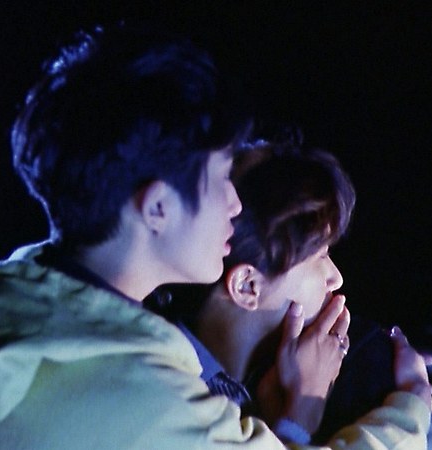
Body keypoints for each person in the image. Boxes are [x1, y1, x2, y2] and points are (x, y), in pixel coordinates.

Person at [0, 24, 431, 449]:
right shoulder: (149, 399)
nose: (234, 204)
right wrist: (408, 409)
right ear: (158, 207)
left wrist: (289, 425)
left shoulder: (10, 305)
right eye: (219, 179)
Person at [148, 141, 417, 445]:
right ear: (248, 286)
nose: (336, 278)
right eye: (320, 255)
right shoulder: (169, 395)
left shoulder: (257, 382)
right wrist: (301, 417)